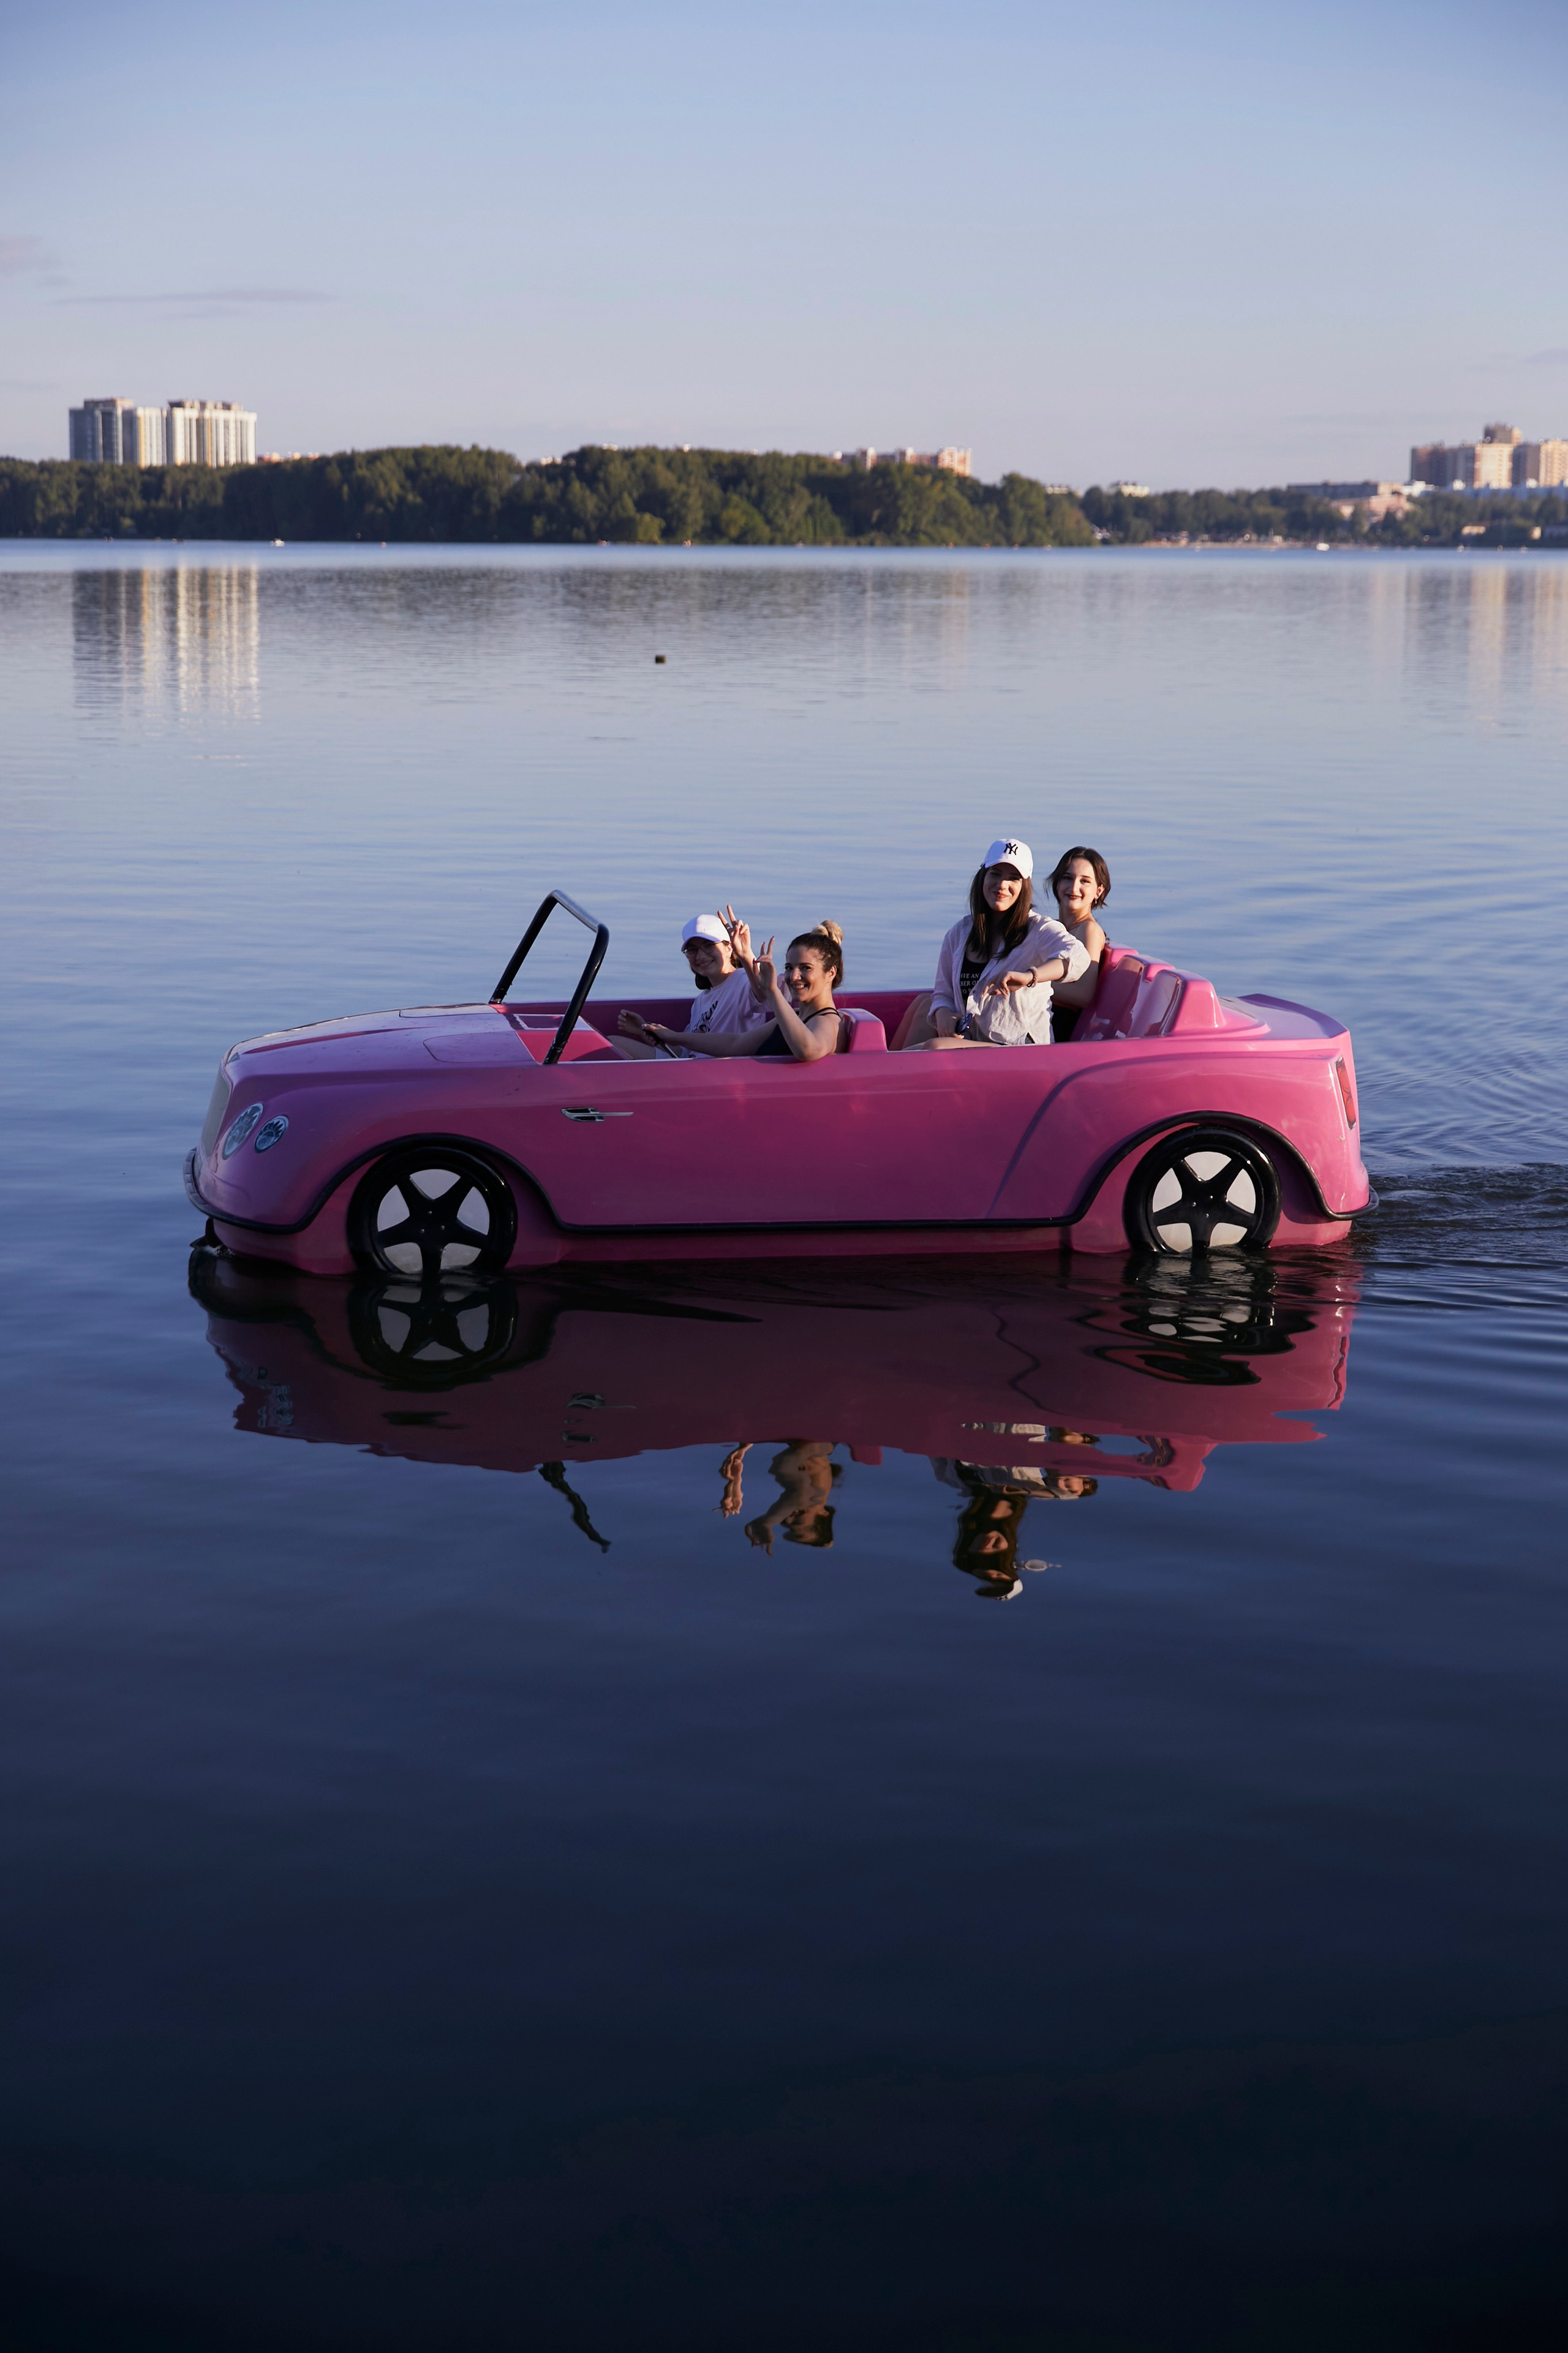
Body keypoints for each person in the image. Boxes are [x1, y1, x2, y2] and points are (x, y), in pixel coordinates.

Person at [894, 838, 1088, 1050]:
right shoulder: (959, 933)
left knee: (935, 1048)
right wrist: (943, 1015)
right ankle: (882, 1071)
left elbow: (1078, 957)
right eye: (995, 874)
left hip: (1018, 1048)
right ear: (983, 876)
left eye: (1013, 878)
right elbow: (943, 993)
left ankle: (885, 1075)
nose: (1002, 885)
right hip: (973, 1038)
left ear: (1024, 885)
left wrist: (1029, 977)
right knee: (925, 1006)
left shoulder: (1038, 929)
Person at [640, 921, 845, 1063]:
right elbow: (735, 1044)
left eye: (806, 968)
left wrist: (772, 990)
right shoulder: (797, 1017)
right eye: (790, 968)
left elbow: (808, 1051)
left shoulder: (828, 1021)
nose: (793, 977)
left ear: (831, 973)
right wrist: (674, 1037)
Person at [616, 909, 771, 1059]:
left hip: (721, 1073)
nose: (701, 956)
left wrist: (746, 955)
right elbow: (683, 1052)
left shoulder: (742, 980)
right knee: (613, 1044)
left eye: (709, 946)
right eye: (692, 950)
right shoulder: (701, 1001)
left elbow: (765, 994)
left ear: (729, 947)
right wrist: (644, 1031)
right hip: (691, 1068)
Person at [1045, 848, 1111, 1042]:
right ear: (1057, 884)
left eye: (1084, 881)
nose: (1074, 888)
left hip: (1056, 1028)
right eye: (1067, 878)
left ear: (1098, 891)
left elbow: (1083, 994)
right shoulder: (1051, 927)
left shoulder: (1088, 930)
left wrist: (1029, 982)